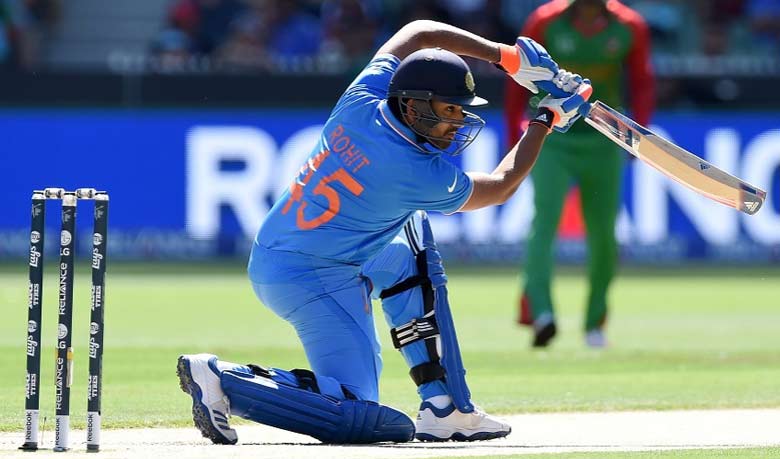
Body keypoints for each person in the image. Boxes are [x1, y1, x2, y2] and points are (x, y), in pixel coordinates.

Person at [177, 19, 592, 445]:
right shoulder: (411, 170)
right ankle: (223, 379)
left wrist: (506, 57)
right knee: (361, 416)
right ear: (414, 106)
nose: (459, 121)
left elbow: (419, 33)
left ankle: (444, 406)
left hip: (299, 248)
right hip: (312, 277)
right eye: (450, 110)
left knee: (411, 246)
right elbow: (501, 186)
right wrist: (546, 118)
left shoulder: (364, 97)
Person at [504, 0, 654, 348]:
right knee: (545, 223)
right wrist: (517, 136)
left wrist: (637, 136)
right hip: (551, 135)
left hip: (604, 138)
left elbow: (642, 82)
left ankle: (594, 324)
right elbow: (516, 79)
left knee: (603, 234)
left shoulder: (630, 26)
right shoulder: (545, 21)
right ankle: (542, 313)